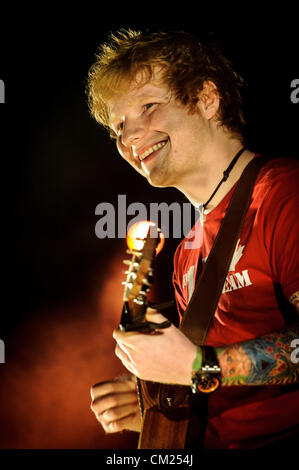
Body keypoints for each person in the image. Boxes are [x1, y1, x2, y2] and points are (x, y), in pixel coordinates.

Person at [87, 29, 299, 449]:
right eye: (118, 129)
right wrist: (151, 403)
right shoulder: (186, 253)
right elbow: (210, 386)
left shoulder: (284, 193)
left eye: (148, 106)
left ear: (205, 98)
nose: (129, 138)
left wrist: (201, 365)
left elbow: (204, 368)